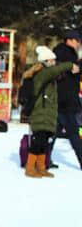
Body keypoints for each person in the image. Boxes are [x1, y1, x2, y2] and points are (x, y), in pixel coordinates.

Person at [24, 46, 77, 178]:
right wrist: (70, 65)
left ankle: (41, 168)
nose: (54, 63)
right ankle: (30, 167)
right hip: (40, 113)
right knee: (38, 142)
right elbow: (56, 70)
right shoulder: (42, 73)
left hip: (46, 114)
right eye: (52, 61)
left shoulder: (48, 75)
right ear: (45, 61)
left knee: (45, 142)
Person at [51, 30, 82, 169]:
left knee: (53, 132)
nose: (78, 44)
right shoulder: (67, 53)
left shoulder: (57, 52)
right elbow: (73, 70)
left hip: (58, 98)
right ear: (69, 40)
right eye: (77, 41)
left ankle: (43, 160)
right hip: (67, 100)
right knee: (73, 134)